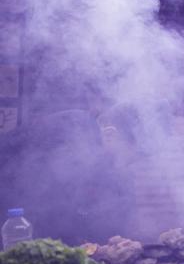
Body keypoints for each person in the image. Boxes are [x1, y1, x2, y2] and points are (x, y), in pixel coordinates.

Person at [0, 104, 142, 244]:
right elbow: (51, 198)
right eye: (129, 159)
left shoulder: (88, 139)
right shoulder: (77, 125)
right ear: (111, 135)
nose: (126, 165)